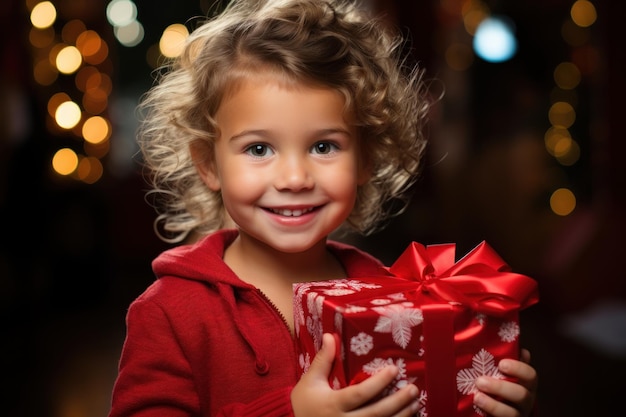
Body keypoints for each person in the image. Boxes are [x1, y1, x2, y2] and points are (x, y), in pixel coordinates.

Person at [108, 0, 538, 416]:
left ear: (365, 159)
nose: (295, 178)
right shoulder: (168, 313)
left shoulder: (385, 291)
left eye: (323, 146)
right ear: (209, 164)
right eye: (258, 148)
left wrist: (483, 399)